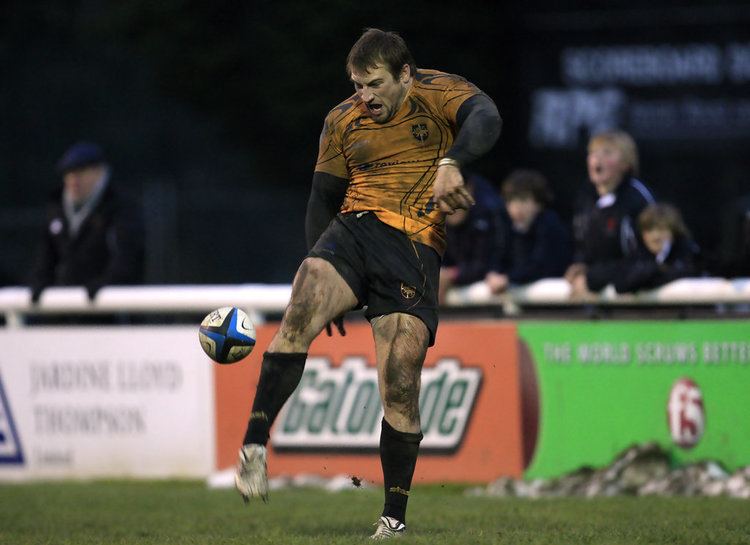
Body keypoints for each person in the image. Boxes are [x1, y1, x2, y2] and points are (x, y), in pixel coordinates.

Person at [234, 28, 501, 539]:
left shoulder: (439, 92)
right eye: (357, 84)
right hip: (353, 231)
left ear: (404, 74)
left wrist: (453, 163)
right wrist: (318, 259)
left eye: (374, 84)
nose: (365, 96)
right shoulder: (341, 120)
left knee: (400, 382)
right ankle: (253, 446)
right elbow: (321, 198)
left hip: (413, 248)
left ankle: (393, 518)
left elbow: (486, 117)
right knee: (303, 302)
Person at [28, 141, 144, 302]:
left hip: (108, 313)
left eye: (80, 172)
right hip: (65, 310)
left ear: (98, 172)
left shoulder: (120, 207)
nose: (73, 180)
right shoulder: (56, 209)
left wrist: (103, 285)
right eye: (68, 174)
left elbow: (126, 259)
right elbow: (46, 257)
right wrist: (39, 284)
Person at [565, 130, 655, 298]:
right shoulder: (585, 199)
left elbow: (649, 258)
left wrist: (593, 278)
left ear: (626, 163)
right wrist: (581, 265)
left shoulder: (638, 199)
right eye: (593, 153)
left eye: (607, 153)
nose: (597, 159)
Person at [485, 169, 571, 293]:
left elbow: (540, 266)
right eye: (511, 200)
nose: (517, 206)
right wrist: (493, 273)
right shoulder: (508, 227)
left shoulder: (549, 224)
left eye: (523, 199)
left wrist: (508, 278)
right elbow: (499, 258)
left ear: (538, 202)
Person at [439, 172, 505, 304]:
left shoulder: (490, 215)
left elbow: (485, 265)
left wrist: (451, 275)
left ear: (469, 190)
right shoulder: (430, 221)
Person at [614, 203, 700, 293]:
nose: (655, 236)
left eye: (661, 229)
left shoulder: (687, 251)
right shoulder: (639, 253)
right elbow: (620, 284)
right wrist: (655, 270)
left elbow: (686, 273)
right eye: (649, 230)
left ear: (674, 232)